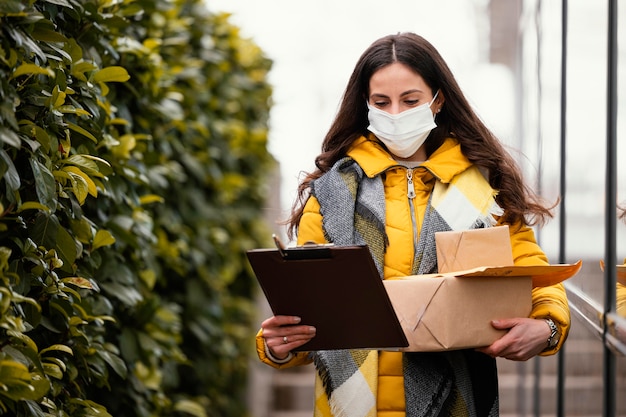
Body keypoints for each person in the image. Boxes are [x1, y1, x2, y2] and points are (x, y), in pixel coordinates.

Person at [255, 32, 569, 417]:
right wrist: (278, 345)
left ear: (438, 100)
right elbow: (311, 312)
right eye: (381, 102)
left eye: (411, 100)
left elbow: (534, 276)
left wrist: (548, 327)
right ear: (366, 106)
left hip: (456, 401)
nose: (396, 114)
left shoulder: (483, 189)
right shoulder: (332, 192)